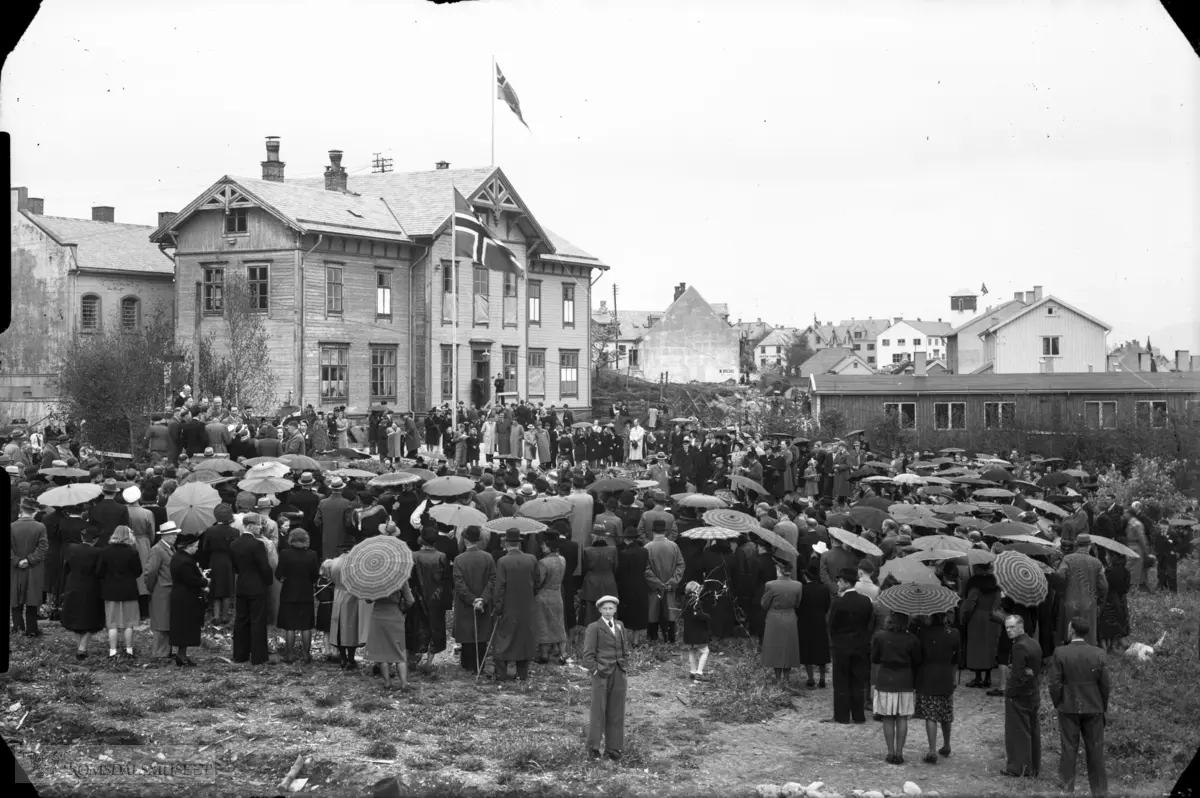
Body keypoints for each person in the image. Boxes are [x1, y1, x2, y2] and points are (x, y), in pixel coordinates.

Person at [1049, 617, 1111, 797]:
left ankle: (1067, 789)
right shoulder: (1099, 653)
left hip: (1068, 706)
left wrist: (1058, 702)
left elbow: (1054, 683)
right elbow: (1105, 684)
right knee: (1096, 751)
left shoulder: (1060, 652)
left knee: (1068, 749)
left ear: (1071, 630)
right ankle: (1099, 791)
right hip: (1094, 707)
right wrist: (1102, 706)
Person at [824, 568, 876, 724]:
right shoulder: (866, 601)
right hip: (860, 645)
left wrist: (835, 641)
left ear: (846, 583)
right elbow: (869, 624)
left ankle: (842, 716)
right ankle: (858, 715)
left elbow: (831, 625)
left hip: (841, 646)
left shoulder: (838, 603)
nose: (838, 583)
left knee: (841, 681)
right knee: (858, 681)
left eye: (840, 581)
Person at [581, 595, 629, 761]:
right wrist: (595, 671)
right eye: (605, 608)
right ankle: (593, 747)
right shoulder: (594, 627)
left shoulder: (620, 626)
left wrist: (624, 665)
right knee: (598, 710)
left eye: (611, 608)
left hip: (618, 671)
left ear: (615, 609)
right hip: (601, 673)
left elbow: (625, 649)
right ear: (600, 610)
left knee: (617, 710)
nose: (608, 611)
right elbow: (587, 656)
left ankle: (614, 748)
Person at [871, 611, 922, 764]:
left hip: (886, 678)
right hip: (905, 679)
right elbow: (917, 660)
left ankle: (890, 752)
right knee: (902, 718)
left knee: (887, 718)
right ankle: (900, 753)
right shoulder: (913, 639)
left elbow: (875, 658)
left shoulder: (880, 637)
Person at [914, 611, 960, 764]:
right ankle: (946, 744)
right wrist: (953, 677)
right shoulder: (953, 633)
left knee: (930, 714)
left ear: (930, 617)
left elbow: (918, 656)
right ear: (945, 616)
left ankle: (932, 750)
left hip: (927, 674)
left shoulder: (923, 633)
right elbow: (956, 658)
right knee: (945, 712)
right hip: (946, 674)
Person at [493, 528, 537, 681]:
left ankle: (501, 673)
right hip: (527, 606)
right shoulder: (531, 559)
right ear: (519, 543)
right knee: (523, 638)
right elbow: (536, 582)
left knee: (504, 638)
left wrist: (497, 608)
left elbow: (499, 587)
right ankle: (522, 674)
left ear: (505, 543)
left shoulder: (503, 561)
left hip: (508, 606)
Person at [1002, 614, 1043, 778]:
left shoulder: (1019, 646)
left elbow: (1018, 674)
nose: (1009, 630)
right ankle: (1033, 766)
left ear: (1021, 626)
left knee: (1017, 732)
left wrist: (1009, 693)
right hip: (1033, 691)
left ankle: (1018, 767)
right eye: (1006, 627)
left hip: (1019, 695)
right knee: (1032, 730)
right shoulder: (1034, 643)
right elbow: (1032, 670)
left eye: (1012, 627)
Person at [230, 513, 274, 665]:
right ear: (249, 526)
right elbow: (264, 567)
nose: (261, 527)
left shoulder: (234, 544)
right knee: (257, 620)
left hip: (241, 584)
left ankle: (240, 654)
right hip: (257, 586)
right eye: (258, 524)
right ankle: (258, 655)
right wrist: (268, 581)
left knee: (241, 619)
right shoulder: (257, 545)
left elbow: (234, 566)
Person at [452, 526, 496, 672]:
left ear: (465, 540)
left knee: (467, 634)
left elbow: (459, 584)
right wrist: (482, 599)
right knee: (481, 634)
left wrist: (472, 599)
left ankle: (467, 665)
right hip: (484, 601)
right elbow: (493, 580)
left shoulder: (459, 559)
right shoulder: (488, 557)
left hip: (465, 604)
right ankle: (480, 665)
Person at [97, 525, 143, 659]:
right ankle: (129, 650)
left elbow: (99, 572)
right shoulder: (132, 552)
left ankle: (112, 651)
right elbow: (137, 572)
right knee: (129, 623)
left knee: (112, 624)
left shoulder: (105, 551)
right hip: (128, 590)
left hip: (110, 590)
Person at [275, 528, 320, 663]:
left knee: (290, 626)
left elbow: (278, 573)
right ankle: (306, 655)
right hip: (306, 593)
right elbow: (315, 575)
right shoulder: (312, 554)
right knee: (306, 626)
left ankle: (289, 654)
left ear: (291, 539)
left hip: (289, 592)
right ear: (306, 539)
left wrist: (285, 579)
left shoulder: (284, 554)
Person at [59, 526, 105, 659]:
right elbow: (100, 571)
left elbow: (66, 569)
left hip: (72, 584)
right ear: (95, 539)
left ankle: (81, 647)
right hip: (91, 586)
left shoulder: (71, 549)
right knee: (92, 618)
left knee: (75, 617)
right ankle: (82, 647)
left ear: (82, 537)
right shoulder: (98, 552)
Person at [761, 556, 804, 688]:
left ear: (779, 569)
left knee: (776, 648)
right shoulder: (798, 585)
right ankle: (786, 678)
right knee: (789, 648)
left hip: (774, 617)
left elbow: (764, 603)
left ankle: (778, 678)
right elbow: (798, 603)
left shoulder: (770, 585)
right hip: (790, 616)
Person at [1057, 536, 1108, 647]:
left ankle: (1069, 656)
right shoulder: (1096, 562)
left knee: (1070, 633)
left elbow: (1060, 575)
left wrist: (1061, 591)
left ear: (1076, 545)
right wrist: (1100, 601)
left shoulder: (1068, 559)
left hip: (1070, 602)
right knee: (1088, 634)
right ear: (1089, 546)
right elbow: (1104, 586)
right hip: (1089, 604)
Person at [366, 580, 415, 692]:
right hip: (395, 616)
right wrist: (402, 608)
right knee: (400, 650)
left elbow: (368, 600)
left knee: (382, 652)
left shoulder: (374, 579)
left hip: (378, 617)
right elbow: (410, 601)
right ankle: (403, 683)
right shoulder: (401, 579)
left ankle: (387, 683)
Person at [142, 521, 181, 662]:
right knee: (161, 622)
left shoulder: (169, 548)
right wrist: (151, 587)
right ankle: (160, 652)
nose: (175, 537)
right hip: (161, 589)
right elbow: (150, 571)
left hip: (166, 588)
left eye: (175, 534)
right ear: (165, 535)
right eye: (172, 534)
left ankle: (165, 650)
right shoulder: (157, 549)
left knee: (166, 621)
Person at [169, 532, 208, 666]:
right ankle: (182, 656)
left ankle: (182, 654)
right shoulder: (185, 561)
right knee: (185, 626)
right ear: (189, 546)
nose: (197, 548)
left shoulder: (178, 557)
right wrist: (205, 581)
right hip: (186, 597)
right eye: (196, 546)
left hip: (180, 595)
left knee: (182, 626)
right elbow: (192, 580)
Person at [11, 497, 48, 637]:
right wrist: (30, 560)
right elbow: (43, 547)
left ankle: (18, 627)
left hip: (15, 568)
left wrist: (17, 560)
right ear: (33, 511)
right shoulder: (40, 527)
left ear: (22, 509)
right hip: (34, 567)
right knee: (32, 597)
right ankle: (32, 629)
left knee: (15, 597)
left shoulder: (12, 526)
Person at [961, 561, 1002, 688]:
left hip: (976, 618)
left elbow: (970, 604)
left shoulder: (975, 584)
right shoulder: (996, 582)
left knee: (976, 648)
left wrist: (964, 617)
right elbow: (998, 602)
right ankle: (988, 678)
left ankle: (978, 678)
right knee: (989, 647)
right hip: (992, 618)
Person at [644, 519, 685, 644]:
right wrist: (671, 582)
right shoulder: (674, 546)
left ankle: (653, 638)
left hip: (654, 588)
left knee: (653, 611)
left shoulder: (647, 547)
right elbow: (681, 565)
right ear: (666, 531)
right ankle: (670, 638)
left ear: (652, 531)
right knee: (670, 611)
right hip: (669, 587)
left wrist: (657, 583)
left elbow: (646, 569)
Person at [533, 537, 569, 664]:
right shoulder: (562, 559)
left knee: (543, 624)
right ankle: (562, 654)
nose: (542, 547)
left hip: (544, 596)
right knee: (559, 624)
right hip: (557, 594)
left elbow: (538, 582)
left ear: (549, 546)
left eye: (543, 545)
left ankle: (544, 655)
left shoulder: (543, 562)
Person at [797, 558, 831, 689]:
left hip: (805, 621)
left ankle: (810, 678)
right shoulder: (824, 589)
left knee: (807, 650)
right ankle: (822, 678)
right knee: (821, 650)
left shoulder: (803, 589)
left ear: (806, 576)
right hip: (820, 621)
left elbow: (798, 606)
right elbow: (827, 606)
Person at [1097, 553, 1130, 652]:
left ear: (1113, 557)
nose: (1106, 557)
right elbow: (1126, 588)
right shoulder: (1126, 571)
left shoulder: (1110, 571)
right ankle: (1116, 645)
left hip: (1109, 601)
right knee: (1119, 624)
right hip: (1121, 601)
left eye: (1107, 555)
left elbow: (1104, 586)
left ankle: (1106, 649)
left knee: (1106, 626)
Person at [680, 581, 711, 681]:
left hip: (689, 632)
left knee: (692, 651)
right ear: (695, 590)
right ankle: (699, 672)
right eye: (698, 589)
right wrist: (707, 617)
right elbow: (698, 614)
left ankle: (693, 671)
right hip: (698, 632)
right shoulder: (696, 601)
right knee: (705, 651)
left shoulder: (684, 601)